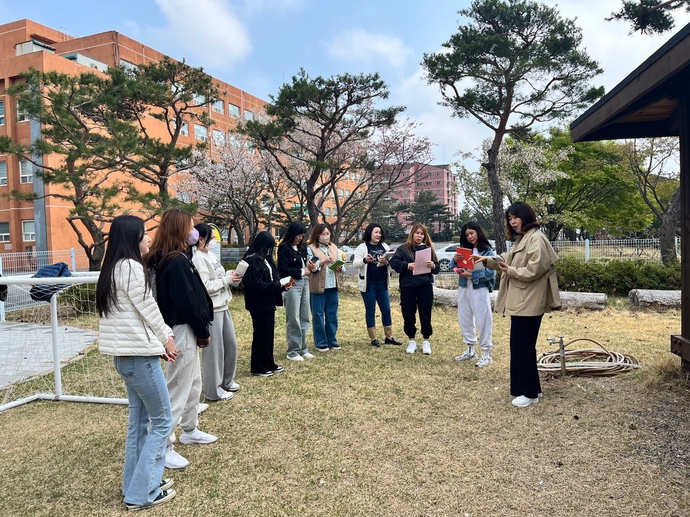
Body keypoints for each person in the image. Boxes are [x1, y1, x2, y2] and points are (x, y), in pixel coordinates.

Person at [96, 215, 178, 511]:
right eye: (144, 234)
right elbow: (148, 308)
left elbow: (136, 319)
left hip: (128, 358)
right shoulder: (130, 267)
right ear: (133, 237)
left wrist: (158, 344)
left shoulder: (113, 268)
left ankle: (136, 484)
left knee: (140, 423)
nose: (148, 239)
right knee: (162, 422)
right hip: (138, 360)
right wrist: (167, 338)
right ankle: (142, 493)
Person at [144, 209, 216, 469]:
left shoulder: (179, 257)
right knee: (177, 388)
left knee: (193, 383)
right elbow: (187, 300)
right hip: (181, 329)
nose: (193, 232)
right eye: (188, 227)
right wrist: (203, 330)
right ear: (178, 230)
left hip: (187, 328)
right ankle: (163, 445)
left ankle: (190, 428)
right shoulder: (173, 261)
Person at [473, 202, 561, 408]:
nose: (512, 222)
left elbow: (533, 270)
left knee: (523, 346)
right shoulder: (525, 239)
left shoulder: (536, 239)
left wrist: (509, 270)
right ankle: (531, 390)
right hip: (523, 300)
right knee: (522, 346)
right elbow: (505, 259)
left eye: (515, 217)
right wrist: (485, 260)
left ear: (525, 216)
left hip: (529, 300)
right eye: (510, 218)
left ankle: (528, 393)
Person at [192, 223, 242, 401]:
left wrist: (230, 275)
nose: (214, 241)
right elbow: (204, 287)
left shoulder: (210, 255)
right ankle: (213, 390)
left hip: (224, 304)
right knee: (214, 351)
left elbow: (218, 277)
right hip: (212, 309)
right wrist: (227, 280)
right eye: (211, 238)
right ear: (201, 239)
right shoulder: (198, 258)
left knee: (231, 345)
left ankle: (227, 381)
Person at [242, 231, 291, 376]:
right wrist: (276, 286)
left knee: (269, 334)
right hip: (258, 303)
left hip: (268, 302)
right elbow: (254, 284)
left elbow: (272, 279)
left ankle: (269, 362)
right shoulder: (252, 261)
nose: (269, 250)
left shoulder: (266, 260)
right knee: (261, 334)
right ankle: (258, 366)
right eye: (268, 247)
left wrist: (281, 286)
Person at [389, 223, 440, 355]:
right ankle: (411, 340)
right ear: (412, 234)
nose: (419, 236)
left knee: (425, 313)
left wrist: (433, 265)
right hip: (408, 287)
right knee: (408, 313)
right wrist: (407, 266)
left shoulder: (428, 249)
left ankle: (426, 340)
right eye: (417, 233)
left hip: (425, 285)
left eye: (422, 234)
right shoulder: (403, 249)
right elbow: (394, 263)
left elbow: (437, 268)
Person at [451, 222, 496, 367]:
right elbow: (454, 266)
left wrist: (471, 274)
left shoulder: (487, 251)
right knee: (464, 317)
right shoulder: (465, 250)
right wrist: (455, 261)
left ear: (478, 232)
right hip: (464, 287)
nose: (470, 237)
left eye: (472, 233)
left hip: (479, 287)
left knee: (483, 318)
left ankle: (486, 353)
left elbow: (490, 272)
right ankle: (470, 349)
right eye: (467, 235)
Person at [352, 223, 402, 347]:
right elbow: (355, 264)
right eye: (376, 232)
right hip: (369, 285)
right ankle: (373, 338)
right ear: (369, 233)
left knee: (386, 310)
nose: (378, 235)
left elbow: (390, 262)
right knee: (370, 311)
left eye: (380, 232)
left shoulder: (384, 246)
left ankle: (389, 337)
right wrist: (365, 260)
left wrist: (386, 262)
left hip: (383, 284)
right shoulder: (362, 247)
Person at [277, 221, 316, 362]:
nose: (300, 238)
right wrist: (301, 271)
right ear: (292, 234)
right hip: (291, 283)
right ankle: (292, 350)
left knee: (304, 316)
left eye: (302, 235)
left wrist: (311, 268)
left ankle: (303, 348)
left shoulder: (303, 247)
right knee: (293, 317)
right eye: (298, 235)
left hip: (305, 282)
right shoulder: (283, 248)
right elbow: (282, 269)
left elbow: (307, 266)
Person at [307, 223, 344, 352]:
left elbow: (342, 266)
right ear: (317, 235)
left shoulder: (333, 247)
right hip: (318, 286)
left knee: (332, 314)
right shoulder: (310, 248)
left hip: (332, 285)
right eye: (324, 234)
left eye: (328, 233)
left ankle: (332, 340)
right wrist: (323, 261)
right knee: (317, 314)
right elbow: (311, 267)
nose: (327, 236)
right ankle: (320, 342)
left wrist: (339, 267)